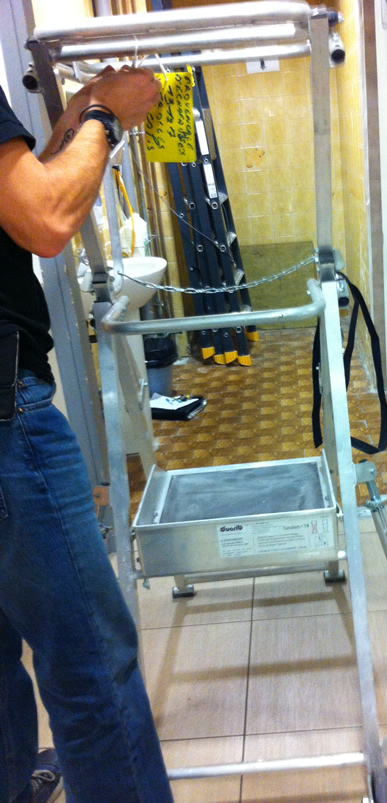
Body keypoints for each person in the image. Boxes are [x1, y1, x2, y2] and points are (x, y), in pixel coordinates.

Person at [0, 66, 174, 802]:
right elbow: (42, 220)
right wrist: (105, 114)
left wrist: (73, 116)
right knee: (90, 666)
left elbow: (17, 200)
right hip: (5, 420)